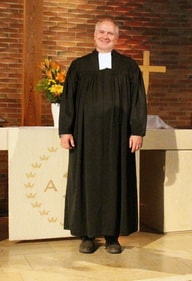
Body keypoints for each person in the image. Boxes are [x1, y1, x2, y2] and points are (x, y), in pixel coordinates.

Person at [58, 18, 147, 254]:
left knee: (115, 183)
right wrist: (65, 129)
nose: (105, 36)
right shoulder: (79, 66)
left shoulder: (129, 67)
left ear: (117, 38)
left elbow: (139, 101)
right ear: (94, 35)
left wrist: (137, 130)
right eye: (101, 32)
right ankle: (87, 235)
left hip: (119, 137)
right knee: (86, 183)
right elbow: (68, 101)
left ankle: (111, 236)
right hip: (85, 137)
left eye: (110, 33)